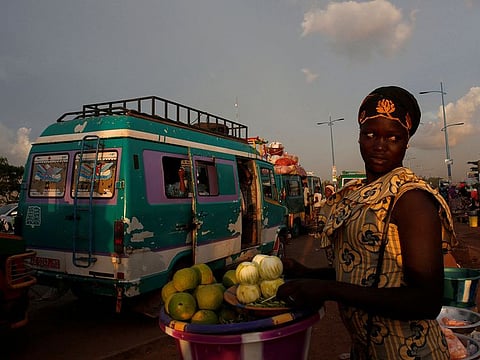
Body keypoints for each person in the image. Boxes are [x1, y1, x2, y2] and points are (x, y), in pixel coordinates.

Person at [277, 86, 457, 359]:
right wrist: (307, 272)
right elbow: (364, 272)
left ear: (406, 142)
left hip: (409, 353)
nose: (379, 145)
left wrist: (327, 290)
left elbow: (426, 301)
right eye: (370, 134)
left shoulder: (411, 200)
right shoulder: (358, 194)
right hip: (367, 350)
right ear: (359, 137)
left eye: (393, 137)